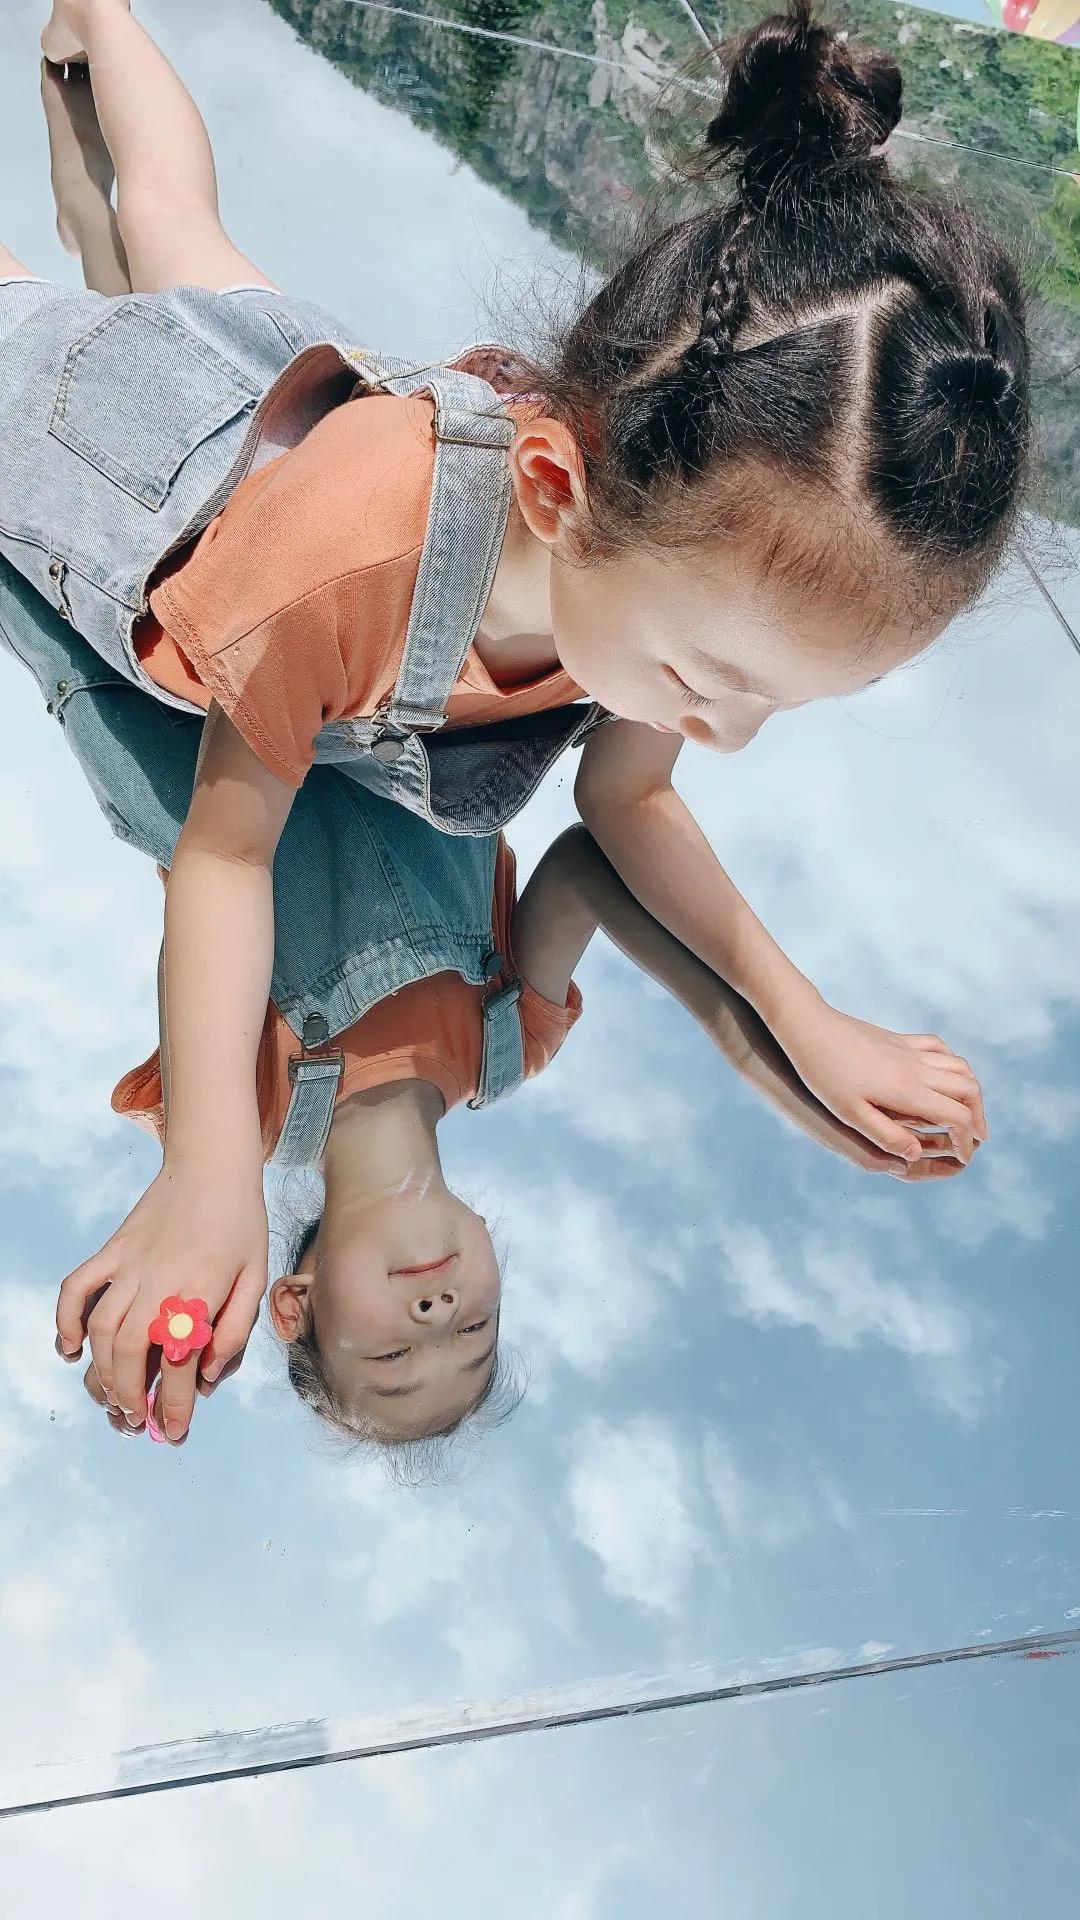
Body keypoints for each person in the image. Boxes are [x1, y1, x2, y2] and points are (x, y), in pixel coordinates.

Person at [3, 2, 1002, 1387]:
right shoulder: (346, 583)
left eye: (781, 701)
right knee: (61, 313)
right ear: (553, 489)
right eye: (712, 682)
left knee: (178, 237)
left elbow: (624, 812)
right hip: (159, 488)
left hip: (326, 433)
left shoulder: (665, 563)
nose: (723, 731)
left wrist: (806, 1027)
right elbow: (225, 855)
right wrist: (212, 1179)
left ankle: (91, 22)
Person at [0, 560, 966, 1458]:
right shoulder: (507, 1041)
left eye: (390, 1357)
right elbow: (592, 870)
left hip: (145, 646)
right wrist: (809, 1090)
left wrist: (205, 1191)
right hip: (332, 605)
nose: (438, 1319)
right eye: (477, 1329)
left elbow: (202, 927)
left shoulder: (234, 1125)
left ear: (293, 1306)